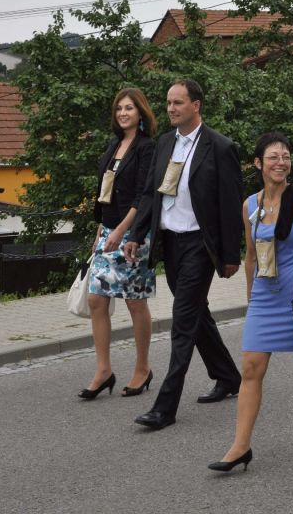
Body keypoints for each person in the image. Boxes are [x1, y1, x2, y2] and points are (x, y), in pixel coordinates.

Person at [209, 133, 293, 473]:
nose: (281, 162)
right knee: (251, 368)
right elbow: (251, 256)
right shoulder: (249, 205)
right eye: (273, 157)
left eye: (285, 157)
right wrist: (251, 298)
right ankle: (240, 446)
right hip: (264, 298)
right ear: (258, 164)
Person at [124, 79, 243, 430]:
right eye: (168, 103)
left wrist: (231, 254)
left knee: (183, 320)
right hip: (171, 243)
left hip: (200, 245)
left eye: (178, 102)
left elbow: (230, 204)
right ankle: (227, 375)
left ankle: (165, 407)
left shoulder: (220, 147)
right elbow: (151, 193)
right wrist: (137, 234)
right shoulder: (164, 144)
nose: (171, 109)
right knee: (195, 313)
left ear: (196, 105)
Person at [79, 88, 157, 400]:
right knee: (96, 300)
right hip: (108, 231)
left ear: (141, 112)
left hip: (133, 234)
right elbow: (105, 192)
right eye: (119, 108)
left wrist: (122, 231)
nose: (123, 113)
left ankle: (142, 368)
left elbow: (143, 195)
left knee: (135, 301)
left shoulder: (147, 148)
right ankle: (103, 371)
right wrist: (102, 228)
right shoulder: (113, 145)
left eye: (129, 108)